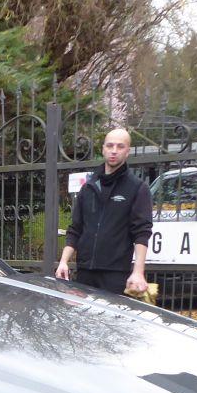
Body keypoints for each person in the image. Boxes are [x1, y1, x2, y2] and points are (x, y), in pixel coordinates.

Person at [55, 127, 153, 296]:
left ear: (127, 152)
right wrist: (64, 261)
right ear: (103, 149)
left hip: (115, 275)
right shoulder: (89, 187)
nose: (114, 151)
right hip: (84, 272)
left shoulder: (137, 188)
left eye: (120, 146)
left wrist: (138, 272)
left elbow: (141, 232)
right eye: (110, 145)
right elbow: (75, 229)